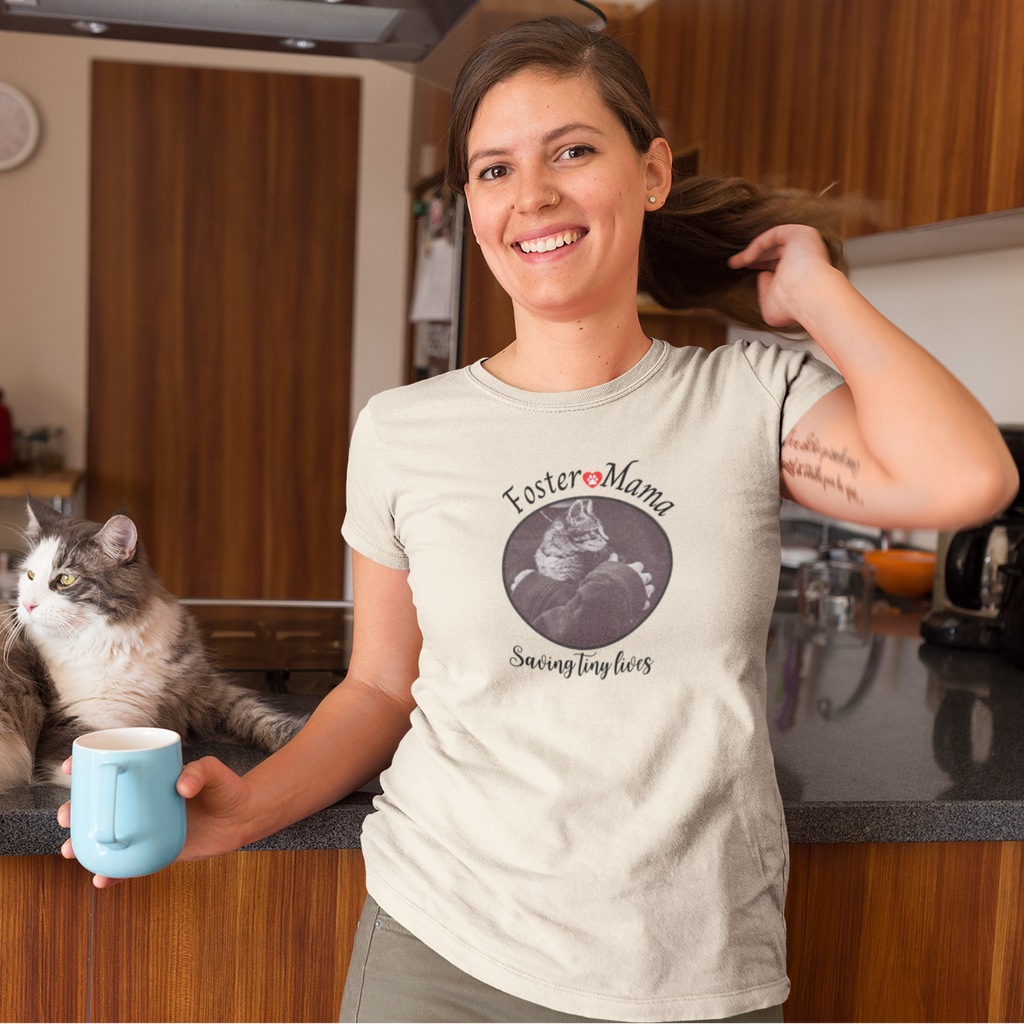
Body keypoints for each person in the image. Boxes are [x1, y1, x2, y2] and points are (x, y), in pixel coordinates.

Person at [58, 17, 1018, 1024]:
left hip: (694, 968)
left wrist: (818, 294)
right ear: (469, 202)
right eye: (493, 169)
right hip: (439, 951)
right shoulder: (401, 428)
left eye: (571, 150)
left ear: (651, 171)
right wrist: (250, 804)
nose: (533, 197)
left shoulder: (746, 396)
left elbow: (966, 476)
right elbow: (382, 686)